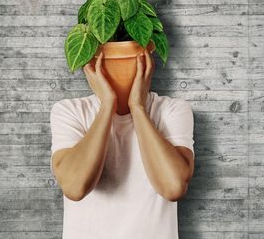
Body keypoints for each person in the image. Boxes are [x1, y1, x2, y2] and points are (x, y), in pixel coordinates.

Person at [49, 49, 195, 239]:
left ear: (146, 57)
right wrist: (108, 104)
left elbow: (173, 187)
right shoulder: (69, 111)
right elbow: (75, 187)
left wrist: (138, 107)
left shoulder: (173, 110)